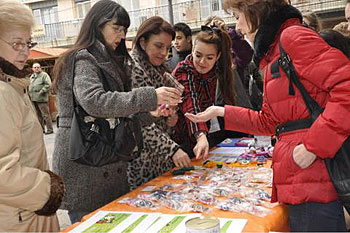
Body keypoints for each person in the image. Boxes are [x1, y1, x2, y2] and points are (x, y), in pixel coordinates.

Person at [186, 0, 350, 231]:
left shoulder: (292, 38)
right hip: (301, 180)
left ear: (254, 10)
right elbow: (270, 122)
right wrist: (220, 112)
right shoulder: (274, 53)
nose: (238, 27)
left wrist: (315, 146)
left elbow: (346, 88)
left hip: (315, 181)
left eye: (237, 15)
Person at [52, 0, 181, 224]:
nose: (121, 36)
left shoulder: (112, 60)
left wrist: (152, 114)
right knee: (92, 224)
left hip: (106, 160)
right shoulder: (82, 58)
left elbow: (120, 113)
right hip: (86, 163)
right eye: (116, 28)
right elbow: (95, 102)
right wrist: (151, 96)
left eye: (124, 30)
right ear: (96, 25)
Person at [0, 0, 65, 231]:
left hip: (24, 212)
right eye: (16, 43)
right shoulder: (3, 92)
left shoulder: (14, 84)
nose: (25, 51)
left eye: (27, 43)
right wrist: (49, 189)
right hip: (20, 216)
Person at [128, 16, 192, 190]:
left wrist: (172, 115)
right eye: (158, 46)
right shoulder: (133, 68)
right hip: (142, 159)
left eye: (167, 47)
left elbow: (178, 97)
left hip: (161, 158)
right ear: (142, 42)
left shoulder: (162, 68)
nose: (164, 53)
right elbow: (140, 122)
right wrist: (172, 149)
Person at [172, 24, 245, 159]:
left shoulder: (219, 71)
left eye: (209, 58)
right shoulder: (184, 70)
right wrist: (201, 136)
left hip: (204, 137)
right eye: (198, 55)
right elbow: (191, 104)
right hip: (180, 140)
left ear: (217, 57)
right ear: (192, 50)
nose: (202, 62)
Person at [29, 62, 54, 134]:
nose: (36, 69)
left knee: (46, 115)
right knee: (38, 115)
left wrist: (42, 91)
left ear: (40, 68)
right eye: (35, 67)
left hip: (41, 98)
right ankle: (41, 130)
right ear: (32, 69)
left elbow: (48, 84)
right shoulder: (32, 76)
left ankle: (50, 129)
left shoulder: (44, 75)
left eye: (38, 67)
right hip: (34, 98)